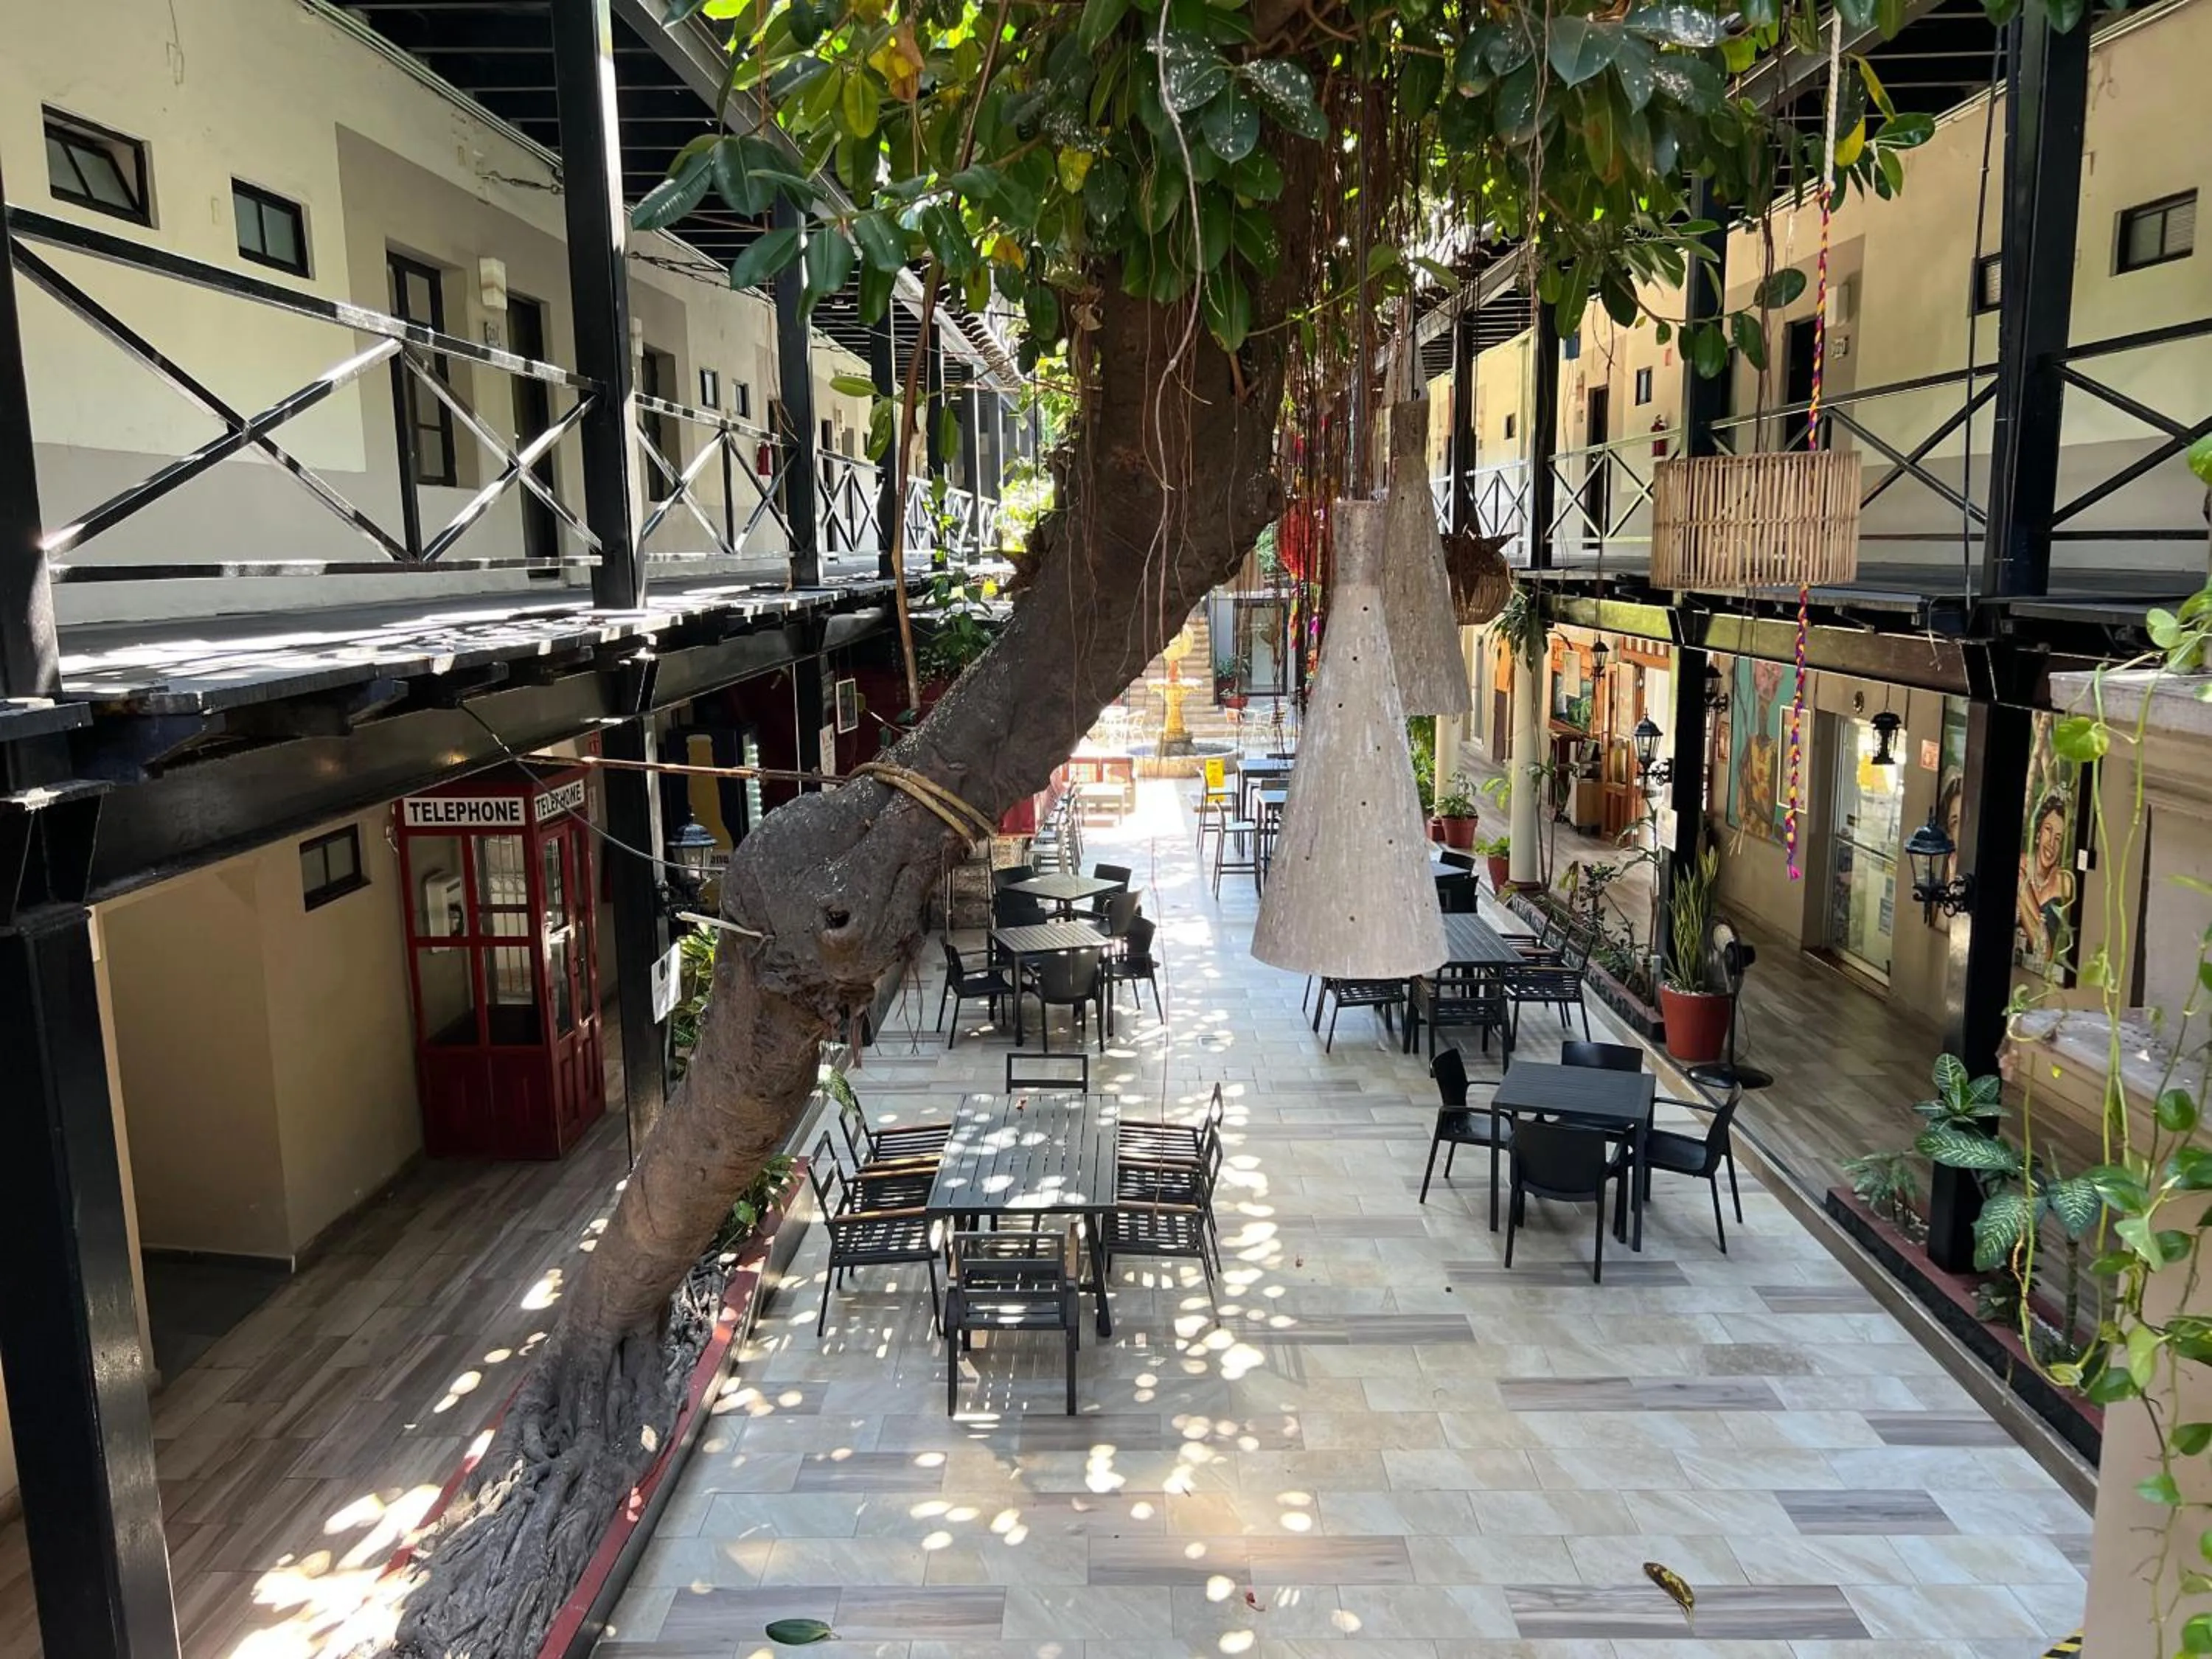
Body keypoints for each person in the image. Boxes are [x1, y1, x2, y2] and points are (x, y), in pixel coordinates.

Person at [2016, 792, 2076, 970]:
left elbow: (2045, 952)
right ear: (2038, 832)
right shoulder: (2020, 865)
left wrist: (2022, 898)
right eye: (2048, 830)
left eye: (2058, 838)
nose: (2051, 843)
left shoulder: (2064, 882)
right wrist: (2038, 919)